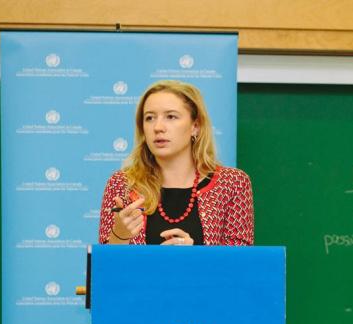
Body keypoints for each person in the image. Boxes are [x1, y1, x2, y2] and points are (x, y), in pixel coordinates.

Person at [98, 80, 253, 246]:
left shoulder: (231, 183)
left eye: (171, 116)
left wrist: (192, 256)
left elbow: (239, 265)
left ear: (196, 126)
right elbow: (105, 267)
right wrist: (120, 236)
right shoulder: (122, 183)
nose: (158, 127)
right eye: (149, 118)